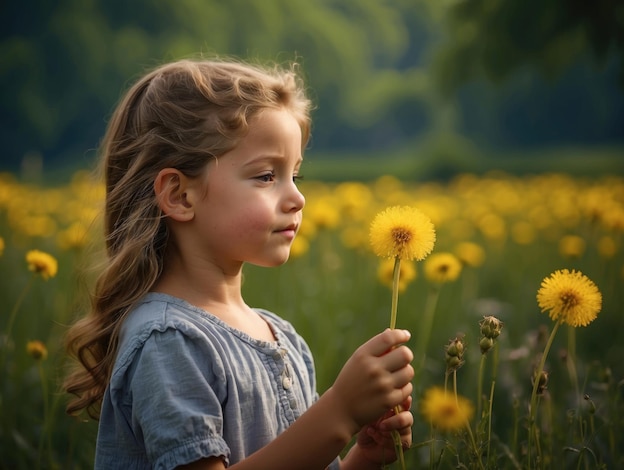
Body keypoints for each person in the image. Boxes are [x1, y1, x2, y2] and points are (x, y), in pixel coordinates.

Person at [63, 57, 414, 469]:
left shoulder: (284, 339)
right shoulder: (167, 341)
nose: (297, 198)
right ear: (179, 195)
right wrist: (338, 413)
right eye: (267, 176)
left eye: (294, 176)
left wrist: (363, 459)